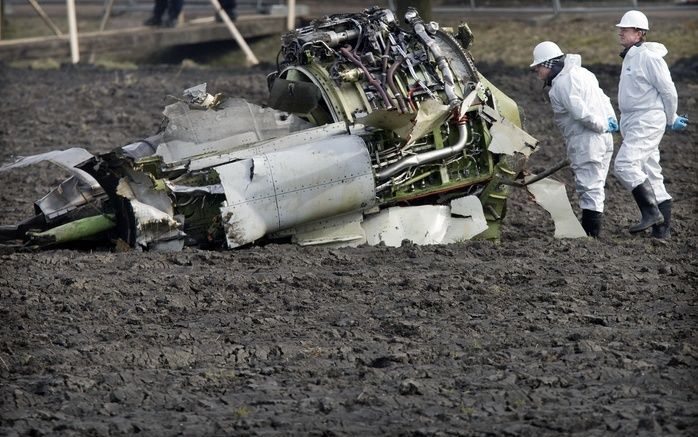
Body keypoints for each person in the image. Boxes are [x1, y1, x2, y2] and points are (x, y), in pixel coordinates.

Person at [530, 41, 618, 237]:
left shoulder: (562, 84)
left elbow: (581, 114)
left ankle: (590, 234)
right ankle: (591, 231)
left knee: (589, 188)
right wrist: (610, 120)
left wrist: (600, 125)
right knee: (596, 186)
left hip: (587, 140)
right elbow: (604, 98)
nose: (536, 70)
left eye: (539, 66)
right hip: (604, 139)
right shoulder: (584, 73)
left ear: (550, 64)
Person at [613, 10, 688, 238]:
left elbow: (668, 90)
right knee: (650, 171)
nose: (620, 32)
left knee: (624, 164)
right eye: (621, 29)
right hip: (634, 120)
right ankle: (661, 231)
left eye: (625, 29)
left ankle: (650, 213)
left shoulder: (649, 57)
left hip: (647, 119)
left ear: (639, 33)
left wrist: (671, 116)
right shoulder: (631, 56)